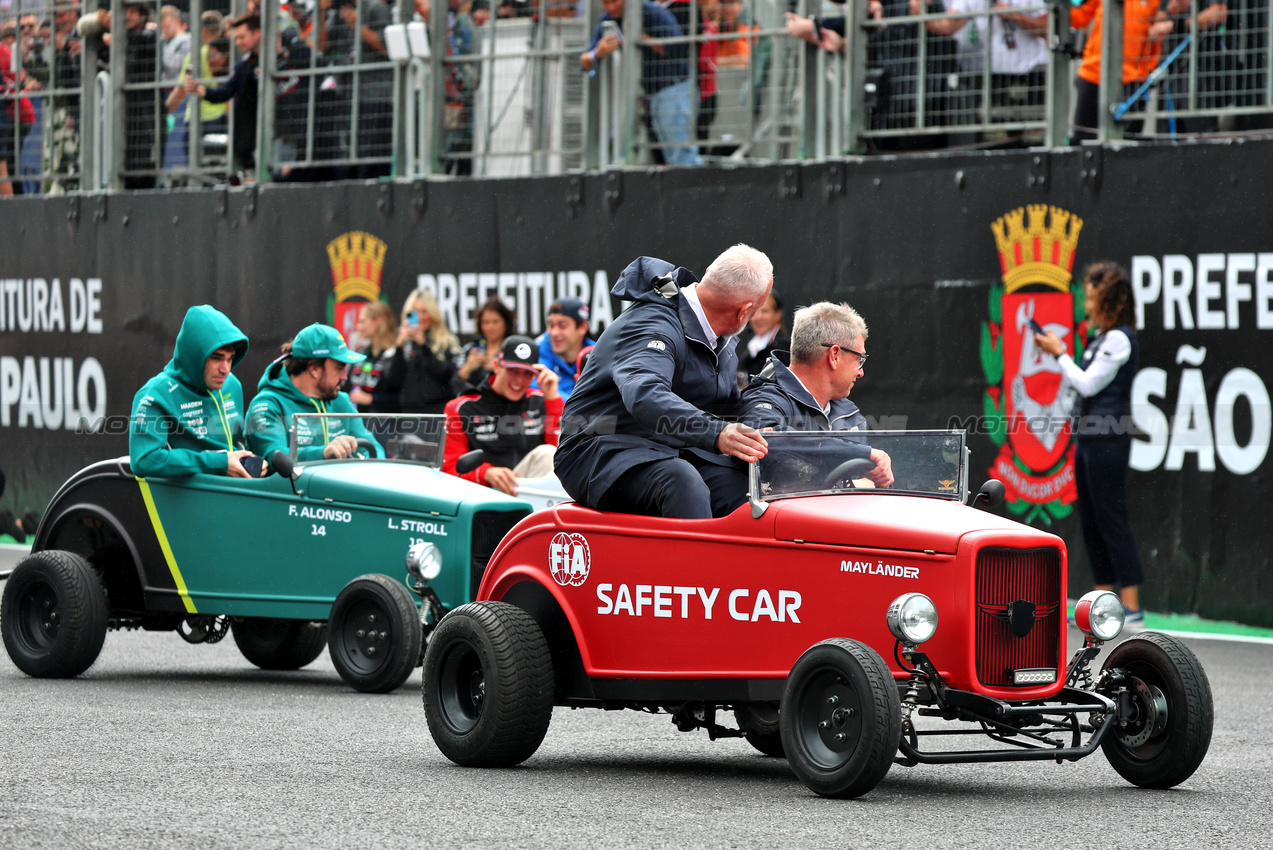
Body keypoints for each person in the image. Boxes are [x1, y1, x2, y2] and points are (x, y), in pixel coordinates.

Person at [554, 244, 773, 519]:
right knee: (681, 482)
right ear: (744, 312)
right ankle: (694, 564)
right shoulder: (653, 322)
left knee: (746, 488)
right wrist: (716, 432)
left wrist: (769, 417)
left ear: (707, 274)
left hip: (669, 448)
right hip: (597, 448)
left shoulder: (718, 341)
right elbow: (645, 395)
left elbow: (728, 408)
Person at [1033, 261, 1145, 628]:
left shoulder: (1119, 338)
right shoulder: (1099, 338)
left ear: (1109, 300)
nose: (1087, 301)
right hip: (1088, 440)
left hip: (1109, 442)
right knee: (1092, 522)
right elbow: (1078, 390)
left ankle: (1132, 608)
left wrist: (1058, 352)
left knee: (1112, 519)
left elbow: (1088, 385)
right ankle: (1103, 602)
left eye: (1093, 296)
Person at [742, 301, 894, 487]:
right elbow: (765, 440)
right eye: (859, 359)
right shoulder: (766, 399)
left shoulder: (849, 413)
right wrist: (859, 454)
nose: (861, 372)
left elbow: (867, 482)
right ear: (834, 355)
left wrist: (875, 478)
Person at [130, 305, 261, 479]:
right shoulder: (155, 394)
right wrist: (218, 463)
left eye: (230, 359)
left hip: (234, 494)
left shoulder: (232, 385)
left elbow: (234, 448)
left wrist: (255, 464)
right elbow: (144, 460)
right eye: (216, 358)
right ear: (193, 355)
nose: (225, 369)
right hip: (189, 502)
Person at [579, 0, 703, 167]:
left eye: (614, 1)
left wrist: (640, 38)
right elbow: (585, 62)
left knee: (682, 156)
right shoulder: (607, 21)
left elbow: (678, 48)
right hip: (649, 97)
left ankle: (694, 190)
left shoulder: (652, 12)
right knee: (664, 158)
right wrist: (597, 53)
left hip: (674, 90)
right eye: (606, 3)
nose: (611, 7)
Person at [443, 335, 563, 495]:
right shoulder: (462, 408)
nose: (519, 381)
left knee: (547, 454)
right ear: (497, 366)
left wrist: (553, 400)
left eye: (527, 374)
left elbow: (563, 459)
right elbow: (449, 469)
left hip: (529, 493)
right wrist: (485, 473)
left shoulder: (542, 401)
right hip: (480, 494)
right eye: (513, 371)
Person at [247, 323, 386, 461]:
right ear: (315, 369)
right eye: (339, 368)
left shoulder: (341, 401)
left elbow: (373, 448)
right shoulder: (267, 405)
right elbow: (273, 457)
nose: (345, 376)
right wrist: (323, 453)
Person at [1069, 0, 1180, 141]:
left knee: (1128, 143)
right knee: (1083, 138)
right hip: (1094, 73)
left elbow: (1158, 29)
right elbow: (1077, 18)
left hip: (1133, 80)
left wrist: (1148, 70)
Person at [185, 12, 261, 174]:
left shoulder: (283, 57)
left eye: (242, 37)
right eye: (236, 38)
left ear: (257, 33)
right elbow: (223, 93)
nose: (238, 42)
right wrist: (197, 88)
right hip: (250, 141)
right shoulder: (243, 67)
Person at [397, 289, 462, 414]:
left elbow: (446, 375)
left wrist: (424, 346)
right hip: (408, 414)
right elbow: (393, 380)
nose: (420, 317)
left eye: (424, 311)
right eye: (415, 312)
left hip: (437, 411)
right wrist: (398, 348)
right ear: (408, 314)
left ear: (433, 314)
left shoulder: (447, 342)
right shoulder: (403, 344)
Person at [346, 301, 404, 413]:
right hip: (358, 421)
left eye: (362, 321)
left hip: (385, 424)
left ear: (378, 321)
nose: (358, 326)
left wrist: (372, 399)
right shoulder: (361, 352)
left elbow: (402, 397)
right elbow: (347, 387)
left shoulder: (394, 354)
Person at [536, 297, 595, 400]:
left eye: (562, 326)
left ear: (583, 327)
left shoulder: (597, 354)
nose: (554, 333)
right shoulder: (536, 352)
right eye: (550, 325)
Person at [457, 296, 514, 389]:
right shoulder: (471, 349)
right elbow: (454, 385)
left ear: (506, 323)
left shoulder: (513, 350)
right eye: (486, 322)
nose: (490, 327)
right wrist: (467, 368)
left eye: (495, 322)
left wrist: (500, 370)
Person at [737, 289, 788, 381]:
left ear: (777, 314)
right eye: (754, 312)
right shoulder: (747, 355)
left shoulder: (785, 350)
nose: (758, 317)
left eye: (765, 311)